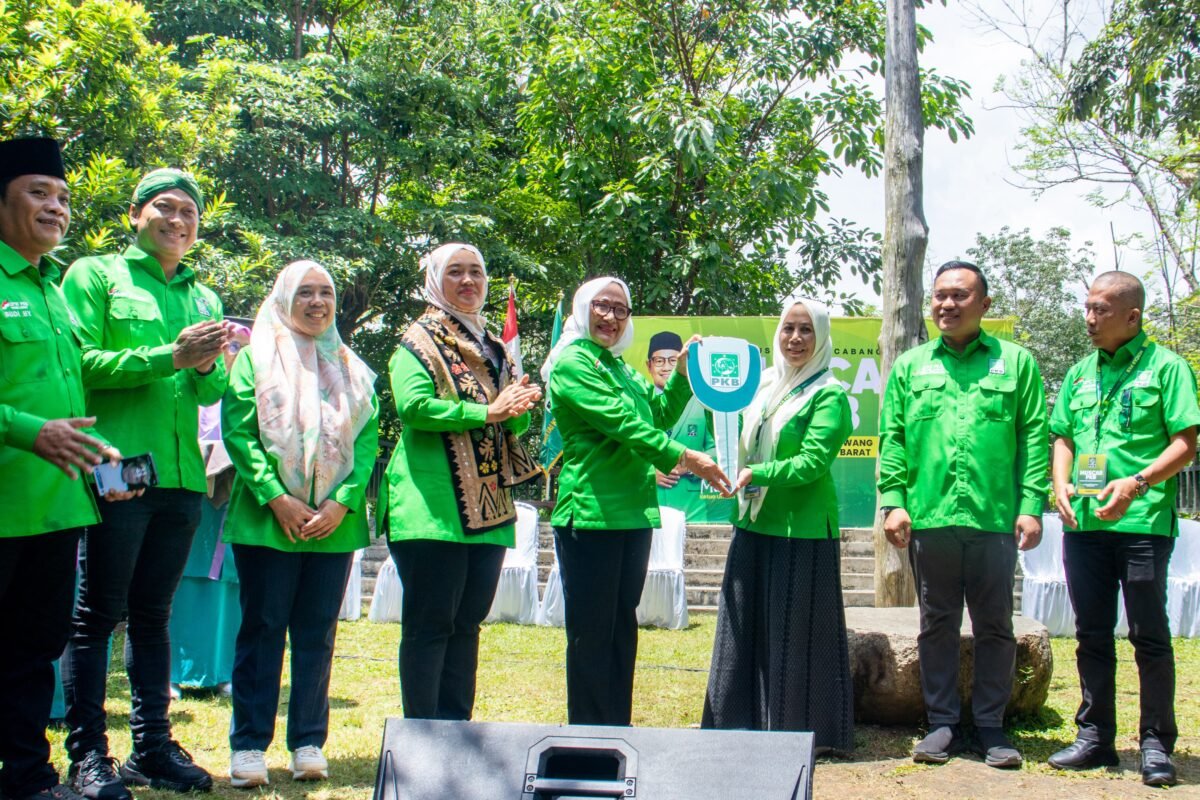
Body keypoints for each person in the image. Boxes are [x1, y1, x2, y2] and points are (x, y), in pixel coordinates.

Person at [60, 168, 232, 799]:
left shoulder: (205, 297)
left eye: (190, 212)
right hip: (118, 470)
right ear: (135, 213)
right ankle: (87, 757)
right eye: (165, 207)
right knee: (98, 613)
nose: (178, 221)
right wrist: (170, 355)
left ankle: (151, 748)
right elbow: (78, 364)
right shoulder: (95, 275)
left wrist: (208, 364)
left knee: (154, 615)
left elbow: (210, 390)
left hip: (183, 478)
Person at [0, 137, 131, 800]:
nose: (56, 208)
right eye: (37, 192)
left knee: (33, 651)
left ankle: (25, 778)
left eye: (63, 197)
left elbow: (61, 392)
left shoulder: (54, 288)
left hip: (57, 505)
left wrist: (96, 447)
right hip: (5, 502)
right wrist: (30, 432)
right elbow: (28, 413)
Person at [878, 260, 1048, 768]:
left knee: (996, 624)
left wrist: (1031, 505)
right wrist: (893, 501)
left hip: (995, 519)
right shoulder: (911, 366)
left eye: (959, 296)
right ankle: (942, 724)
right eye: (940, 296)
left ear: (984, 305)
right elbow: (893, 438)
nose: (947, 304)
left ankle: (993, 727)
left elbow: (1033, 437)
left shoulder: (1016, 363)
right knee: (936, 623)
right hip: (930, 518)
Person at [541, 277, 731, 725]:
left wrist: (682, 376)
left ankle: (616, 731)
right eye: (601, 306)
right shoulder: (573, 362)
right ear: (582, 307)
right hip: (591, 513)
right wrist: (685, 456)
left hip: (633, 512)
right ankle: (588, 738)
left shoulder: (620, 367)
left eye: (620, 309)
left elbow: (658, 414)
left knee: (622, 629)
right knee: (591, 635)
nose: (610, 316)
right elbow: (623, 424)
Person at [220, 261, 378, 787]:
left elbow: (369, 441)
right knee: (262, 631)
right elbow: (240, 434)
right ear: (284, 299)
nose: (317, 302)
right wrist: (276, 498)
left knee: (317, 634)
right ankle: (248, 746)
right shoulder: (254, 360)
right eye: (305, 293)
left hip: (333, 526)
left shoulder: (353, 368)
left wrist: (342, 503)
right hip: (270, 523)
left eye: (326, 293)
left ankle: (308, 740)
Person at [1047, 272, 1200, 787]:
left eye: (1100, 310)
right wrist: (1062, 484)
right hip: (1085, 524)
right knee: (1090, 633)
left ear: (1132, 316)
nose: (1089, 319)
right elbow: (1063, 437)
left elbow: (1185, 443)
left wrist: (1136, 482)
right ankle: (1095, 739)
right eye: (1086, 308)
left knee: (1149, 634)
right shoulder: (1079, 374)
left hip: (1140, 522)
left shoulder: (1167, 368)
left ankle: (1156, 746)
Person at [383, 243, 541, 721]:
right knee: (430, 625)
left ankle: (455, 733)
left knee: (467, 625)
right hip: (431, 508)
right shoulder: (418, 340)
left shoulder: (492, 345)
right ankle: (420, 738)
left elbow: (514, 427)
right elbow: (412, 407)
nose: (468, 281)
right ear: (435, 281)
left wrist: (518, 409)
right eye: (455, 272)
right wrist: (487, 410)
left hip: (488, 507)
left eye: (476, 272)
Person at [702, 298, 854, 752]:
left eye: (807, 330)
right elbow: (732, 430)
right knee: (743, 626)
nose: (795, 338)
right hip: (753, 523)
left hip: (800, 531)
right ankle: (737, 723)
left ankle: (800, 733)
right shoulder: (764, 385)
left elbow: (812, 462)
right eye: (789, 328)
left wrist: (758, 473)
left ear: (822, 337)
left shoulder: (829, 393)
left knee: (796, 635)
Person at [647, 331, 735, 523]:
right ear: (649, 365)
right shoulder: (641, 402)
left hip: (694, 508)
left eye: (672, 360)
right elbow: (626, 447)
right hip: (648, 506)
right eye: (659, 361)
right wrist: (649, 472)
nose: (666, 367)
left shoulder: (702, 401)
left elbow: (720, 446)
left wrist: (690, 464)